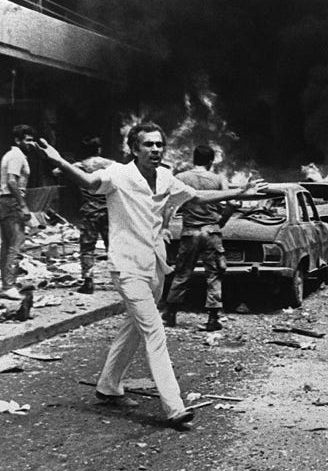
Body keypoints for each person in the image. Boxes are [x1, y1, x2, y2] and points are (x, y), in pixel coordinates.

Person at [36, 123, 254, 430]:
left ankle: (108, 386)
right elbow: (88, 181)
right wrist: (59, 161)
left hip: (155, 266)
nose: (155, 149)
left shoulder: (166, 177)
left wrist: (237, 192)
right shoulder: (118, 174)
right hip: (126, 267)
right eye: (148, 144)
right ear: (134, 149)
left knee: (134, 327)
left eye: (159, 144)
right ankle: (174, 407)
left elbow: (195, 197)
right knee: (154, 330)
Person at [163, 144, 234, 331]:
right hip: (211, 231)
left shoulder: (180, 178)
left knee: (182, 273)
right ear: (211, 161)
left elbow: (170, 205)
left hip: (190, 231)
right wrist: (220, 222)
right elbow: (231, 204)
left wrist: (165, 227)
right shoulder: (219, 179)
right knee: (214, 275)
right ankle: (213, 318)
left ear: (193, 159)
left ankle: (170, 314)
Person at [66, 136, 114, 294]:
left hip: (89, 211)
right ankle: (120, 279)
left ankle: (88, 281)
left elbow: (57, 171)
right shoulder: (110, 164)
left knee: (87, 248)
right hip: (108, 210)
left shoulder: (79, 166)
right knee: (113, 246)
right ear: (99, 149)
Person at [0, 125, 37, 301]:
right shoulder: (17, 156)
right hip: (11, 201)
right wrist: (23, 205)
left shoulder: (12, 155)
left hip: (5, 200)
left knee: (7, 245)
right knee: (16, 244)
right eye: (28, 140)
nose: (31, 143)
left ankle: (6, 283)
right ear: (18, 140)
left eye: (32, 140)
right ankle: (8, 286)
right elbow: (12, 181)